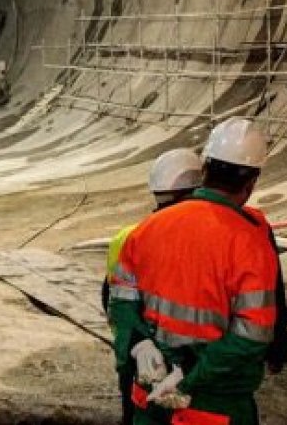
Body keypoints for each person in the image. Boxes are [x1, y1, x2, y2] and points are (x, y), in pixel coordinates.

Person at [110, 118, 278, 425]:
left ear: (205, 169)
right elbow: (253, 336)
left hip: (150, 397)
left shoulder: (148, 228)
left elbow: (120, 299)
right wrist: (189, 375)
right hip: (212, 405)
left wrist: (139, 343)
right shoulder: (250, 241)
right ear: (251, 181)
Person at [103, 148, 203, 425]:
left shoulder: (130, 236)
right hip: (185, 372)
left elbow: (113, 301)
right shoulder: (206, 241)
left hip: (142, 365)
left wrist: (135, 347)